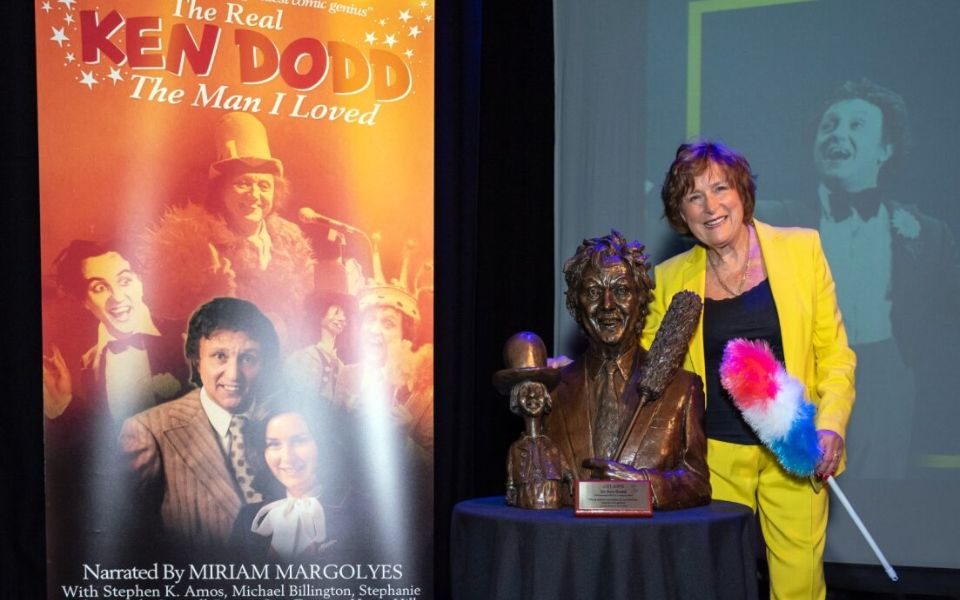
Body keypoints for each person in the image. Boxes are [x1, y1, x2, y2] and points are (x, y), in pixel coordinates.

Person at [647, 141, 856, 599]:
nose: (711, 205)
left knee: (799, 587)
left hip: (795, 452)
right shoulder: (668, 279)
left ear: (742, 192)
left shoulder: (802, 249)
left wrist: (832, 427)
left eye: (720, 188)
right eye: (694, 196)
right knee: (717, 585)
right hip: (714, 459)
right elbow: (645, 366)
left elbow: (836, 355)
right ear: (681, 213)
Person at [756, 79, 960, 477]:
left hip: (887, 380)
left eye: (856, 126)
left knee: (879, 495)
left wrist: (905, 367)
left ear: (885, 150)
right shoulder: (776, 218)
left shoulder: (927, 232)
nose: (837, 135)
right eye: (829, 125)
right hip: (805, 374)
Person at [544, 231, 711, 510]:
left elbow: (697, 481)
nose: (608, 304)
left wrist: (646, 485)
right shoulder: (553, 390)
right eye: (594, 291)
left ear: (640, 301)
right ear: (575, 303)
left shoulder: (682, 389)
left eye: (621, 290)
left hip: (645, 547)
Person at [119, 297, 280, 558]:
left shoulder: (281, 424)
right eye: (219, 356)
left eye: (248, 358)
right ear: (196, 359)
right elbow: (123, 540)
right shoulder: (149, 432)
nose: (233, 375)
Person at [138, 112, 315, 350]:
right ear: (221, 190)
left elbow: (305, 313)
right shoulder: (192, 242)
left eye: (264, 186)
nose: (254, 196)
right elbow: (168, 318)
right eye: (242, 183)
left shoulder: (292, 241)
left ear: (276, 192)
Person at [231, 404, 371, 562]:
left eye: (299, 441)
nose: (287, 457)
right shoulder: (249, 519)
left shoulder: (365, 512)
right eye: (274, 444)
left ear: (326, 442)